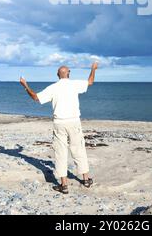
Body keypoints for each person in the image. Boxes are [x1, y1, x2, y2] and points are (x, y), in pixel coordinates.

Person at [19, 62, 98, 194]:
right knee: (79, 149)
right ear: (69, 73)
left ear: (57, 75)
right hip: (74, 122)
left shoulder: (53, 88)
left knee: (61, 153)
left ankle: (64, 184)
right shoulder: (74, 84)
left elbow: (35, 98)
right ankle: (85, 179)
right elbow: (90, 81)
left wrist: (25, 86)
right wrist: (93, 69)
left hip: (59, 123)